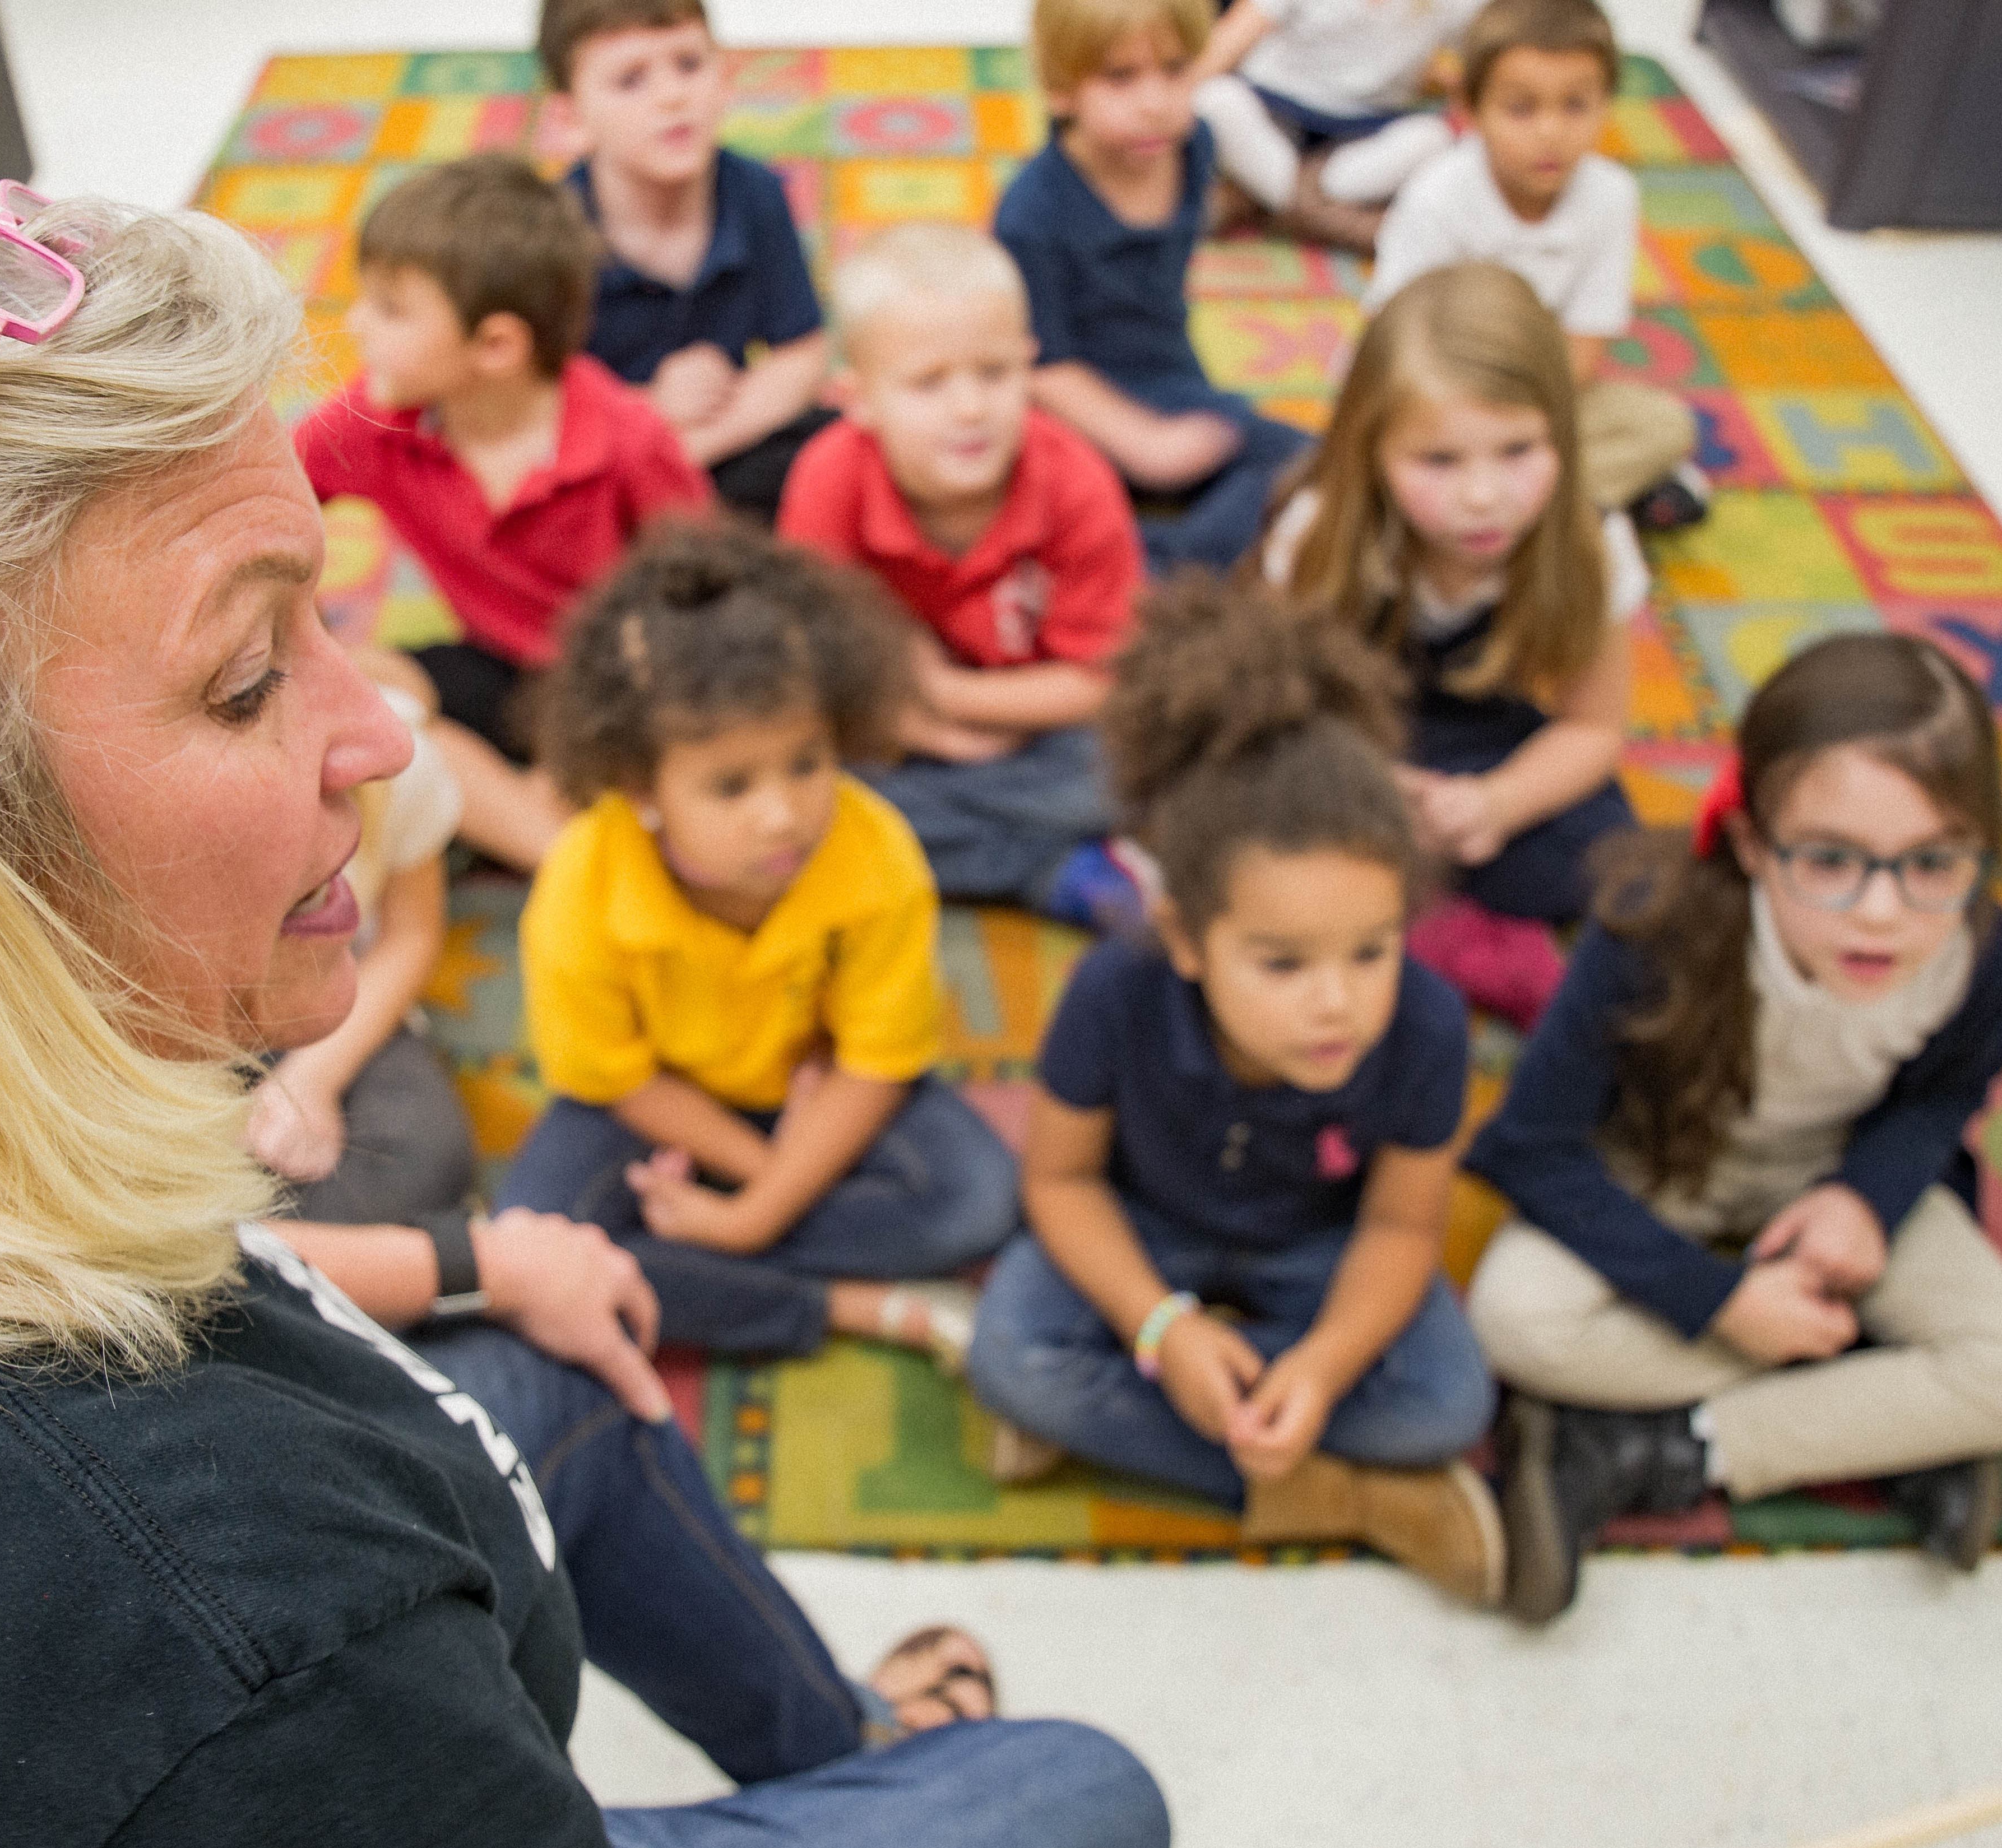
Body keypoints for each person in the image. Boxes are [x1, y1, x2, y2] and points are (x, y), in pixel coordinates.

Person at [0, 179, 1212, 1848]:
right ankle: (861, 1776)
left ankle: (837, 1744)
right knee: (1083, 1791)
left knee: (572, 1346)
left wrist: (484, 1260)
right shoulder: (253, 1666)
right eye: (252, 677)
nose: (385, 729)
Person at [1466, 633, 2002, 1624]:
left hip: (1826, 1177)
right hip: (1659, 1162)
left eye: (1933, 861)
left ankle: (1655, 1448)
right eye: (1829, 860)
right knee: (1515, 1321)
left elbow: (1938, 1099)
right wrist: (1718, 1301)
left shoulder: (1983, 958)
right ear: (1752, 841)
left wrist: (1865, 1197)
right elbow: (1526, 1147)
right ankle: (1883, 1412)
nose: (1880, 911)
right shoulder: (1649, 927)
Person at [965, 580, 1503, 1606]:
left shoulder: (1429, 1024)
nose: (1335, 1003)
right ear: (1183, 939)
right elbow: (1064, 1180)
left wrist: (1324, 1369)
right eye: (1281, 964)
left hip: (1315, 1249)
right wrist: (1162, 1326)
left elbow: (1398, 1229)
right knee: (1010, 1351)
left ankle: (1170, 1423)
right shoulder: (1115, 991)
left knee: (1446, 1401)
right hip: (1147, 1228)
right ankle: (1350, 1494)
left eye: (1369, 950)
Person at [500, 522, 1022, 1364]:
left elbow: (875, 1064)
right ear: (641, 785)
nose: (781, 813)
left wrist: (754, 1215)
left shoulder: (876, 853)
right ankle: (841, 1304)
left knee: (975, 1200)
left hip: (821, 1093)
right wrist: (761, 1171)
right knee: (525, 1240)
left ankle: (680, 1267)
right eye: (730, 785)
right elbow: (620, 1078)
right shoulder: (581, 886)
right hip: (659, 1102)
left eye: (806, 762)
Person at [298, 152, 711, 871]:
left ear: (496, 345)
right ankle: (558, 842)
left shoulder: (628, 438)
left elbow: (703, 588)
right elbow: (267, 502)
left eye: (391, 308)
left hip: (617, 673)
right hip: (495, 667)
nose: (356, 323)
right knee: (353, 685)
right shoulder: (375, 419)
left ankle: (557, 839)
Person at [1258, 263, 1640, 1029]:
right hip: (1341, 734)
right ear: (1372, 451)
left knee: (1606, 861)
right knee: (1247, 812)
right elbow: (1273, 702)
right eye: (1438, 461)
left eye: (1517, 450)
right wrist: (1368, 780)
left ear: (1562, 433)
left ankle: (1398, 909)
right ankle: (1442, 935)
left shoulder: (1593, 547)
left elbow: (1594, 727)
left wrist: (1497, 803)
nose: (1481, 496)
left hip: (1482, 742)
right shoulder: (1317, 532)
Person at [778, 224, 1144, 929]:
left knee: (1140, 763)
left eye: (995, 372)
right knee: (782, 791)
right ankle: (1048, 869)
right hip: (886, 732)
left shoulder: (1077, 483)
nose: (970, 408)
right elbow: (809, 662)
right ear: (856, 397)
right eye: (928, 382)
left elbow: (1096, 684)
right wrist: (913, 721)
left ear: (1029, 367)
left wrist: (954, 696)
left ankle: (936, 846)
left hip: (1046, 732)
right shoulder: (827, 478)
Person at [996, 0, 1315, 573]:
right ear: (1061, 89)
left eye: (1175, 70)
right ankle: (1147, 559)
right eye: (1120, 78)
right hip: (1067, 411)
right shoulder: (1029, 214)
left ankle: (1163, 561)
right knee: (1022, 502)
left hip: (1172, 379)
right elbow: (1043, 367)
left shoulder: (1194, 150)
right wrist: (1144, 444)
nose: (1155, 103)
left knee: (1309, 461)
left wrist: (1174, 432)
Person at [1368, 0, 1706, 529]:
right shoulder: (1436, 196)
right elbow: (1394, 344)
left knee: (1663, 426)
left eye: (1575, 106)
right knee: (1374, 448)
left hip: (1538, 399)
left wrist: (1517, 438)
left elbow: (1584, 354)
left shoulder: (1612, 195)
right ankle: (1562, 510)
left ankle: (1517, 511)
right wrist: (1480, 440)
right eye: (1521, 109)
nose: (1550, 132)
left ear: (1606, 105)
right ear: (1471, 109)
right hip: (1432, 391)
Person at [544, 0, 837, 523]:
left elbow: (803, 352)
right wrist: (651, 408)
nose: (673, 97)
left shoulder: (757, 195)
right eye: (631, 80)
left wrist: (692, 449)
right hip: (606, 461)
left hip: (726, 436)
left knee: (845, 456)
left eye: (689, 64)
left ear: (724, 78)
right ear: (571, 119)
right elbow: (537, 403)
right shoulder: (548, 239)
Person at [247, 649, 475, 1228]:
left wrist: (313, 1078)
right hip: (172, 1021)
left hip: (338, 999)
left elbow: (411, 936)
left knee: (426, 1152)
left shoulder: (395, 757)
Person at [1189, 0, 1480, 253]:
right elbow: (1230, 40)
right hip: (1275, 111)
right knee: (1214, 96)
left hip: (1365, 135)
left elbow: (1488, 54)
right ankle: (1339, 221)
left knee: (1434, 136)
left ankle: (1260, 202)